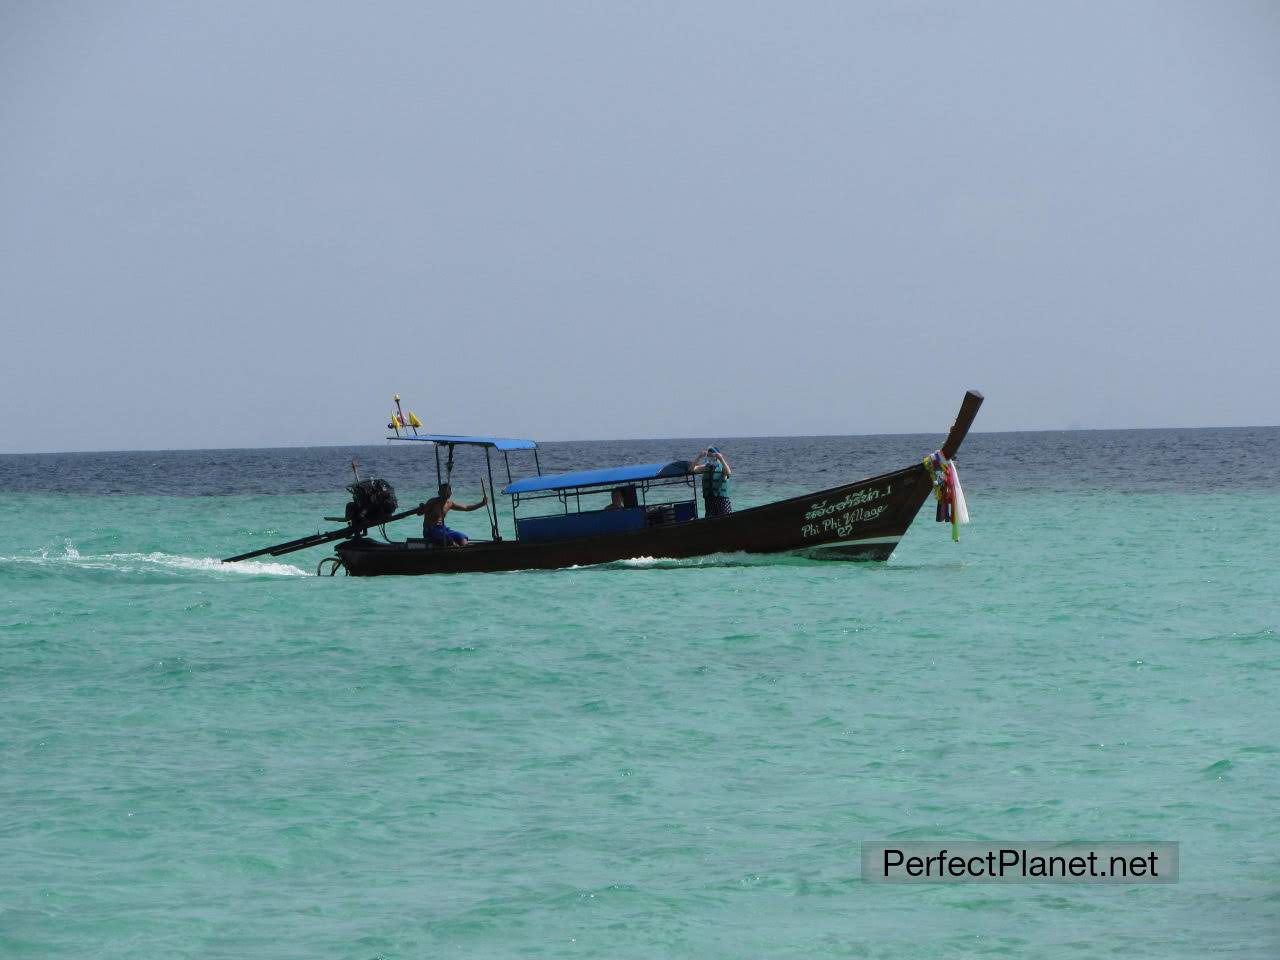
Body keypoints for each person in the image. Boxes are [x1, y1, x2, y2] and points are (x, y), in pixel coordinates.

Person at [420, 482, 487, 546]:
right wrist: (422, 508)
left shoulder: (449, 503)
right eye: (443, 492)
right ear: (439, 493)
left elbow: (466, 508)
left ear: (451, 493)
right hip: (430, 531)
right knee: (450, 541)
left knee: (462, 538)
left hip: (443, 529)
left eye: (447, 492)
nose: (446, 494)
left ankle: (466, 551)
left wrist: (481, 504)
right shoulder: (432, 502)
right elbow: (420, 513)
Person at [690, 446, 732, 517]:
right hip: (709, 499)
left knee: (726, 517)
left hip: (721, 500)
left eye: (711, 455)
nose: (709, 457)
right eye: (708, 456)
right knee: (710, 518)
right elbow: (692, 469)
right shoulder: (706, 467)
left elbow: (728, 473)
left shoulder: (723, 467)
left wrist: (721, 459)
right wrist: (699, 457)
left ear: (717, 456)